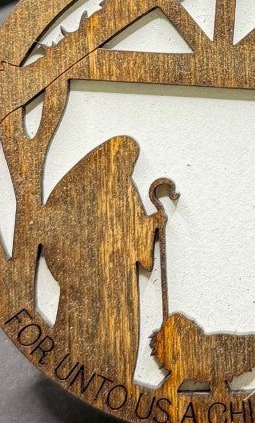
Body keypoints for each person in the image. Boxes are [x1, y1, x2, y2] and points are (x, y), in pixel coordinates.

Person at [38, 136, 162, 386]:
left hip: (118, 285)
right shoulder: (75, 190)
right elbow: (54, 229)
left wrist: (153, 224)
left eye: (130, 162)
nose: (126, 167)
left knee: (117, 335)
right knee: (83, 331)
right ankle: (79, 373)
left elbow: (135, 234)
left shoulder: (126, 190)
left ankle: (117, 379)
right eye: (123, 160)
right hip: (86, 286)